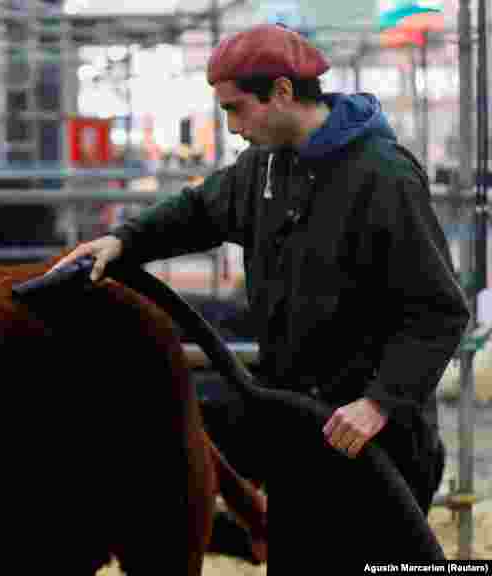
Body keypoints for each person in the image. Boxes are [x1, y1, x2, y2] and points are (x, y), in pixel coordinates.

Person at [51, 24, 470, 568]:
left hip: (373, 442)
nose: (232, 126)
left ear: (282, 92)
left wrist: (380, 402)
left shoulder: (382, 177)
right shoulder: (266, 168)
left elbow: (439, 311)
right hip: (296, 433)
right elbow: (197, 211)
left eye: (236, 109)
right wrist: (124, 241)